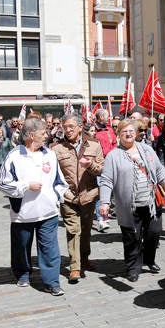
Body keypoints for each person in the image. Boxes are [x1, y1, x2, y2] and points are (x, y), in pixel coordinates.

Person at [99, 120, 165, 282]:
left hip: (151, 202)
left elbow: (159, 170)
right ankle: (133, 267)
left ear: (135, 133)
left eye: (131, 131)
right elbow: (106, 181)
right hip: (129, 206)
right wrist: (105, 202)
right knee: (131, 238)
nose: (128, 134)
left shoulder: (147, 149)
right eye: (124, 132)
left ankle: (149, 259)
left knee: (153, 234)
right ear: (118, 134)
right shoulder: (114, 156)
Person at [0, 117, 68, 295]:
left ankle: (52, 282)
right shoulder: (14, 156)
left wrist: (56, 197)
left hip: (48, 213)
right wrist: (26, 186)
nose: (47, 136)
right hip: (23, 214)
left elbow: (60, 182)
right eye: (43, 133)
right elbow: (2, 184)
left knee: (50, 248)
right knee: (22, 246)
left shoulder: (50, 155)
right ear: (31, 135)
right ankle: (22, 273)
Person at [52, 114, 104, 284]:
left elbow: (101, 170)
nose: (67, 130)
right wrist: (62, 192)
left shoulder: (94, 145)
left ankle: (84, 258)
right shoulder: (57, 148)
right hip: (68, 197)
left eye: (71, 126)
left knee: (86, 230)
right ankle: (75, 267)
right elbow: (53, 176)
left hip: (89, 196)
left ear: (80, 127)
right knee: (74, 231)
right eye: (65, 127)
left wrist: (91, 165)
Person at [93, 108, 117, 232]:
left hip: (110, 163)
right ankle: (101, 219)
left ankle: (106, 213)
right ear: (100, 117)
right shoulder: (93, 131)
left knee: (110, 191)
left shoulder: (110, 130)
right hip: (99, 164)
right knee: (100, 192)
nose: (108, 118)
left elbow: (114, 144)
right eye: (106, 116)